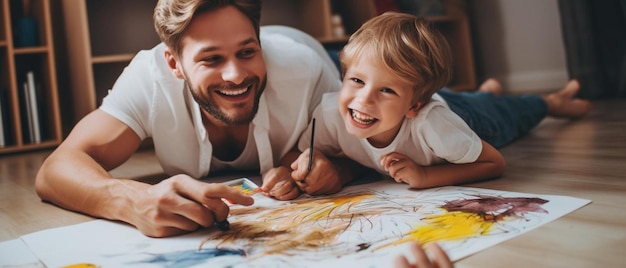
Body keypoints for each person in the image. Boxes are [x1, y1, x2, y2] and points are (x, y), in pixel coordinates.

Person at [34, 0, 354, 238]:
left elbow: (376, 144)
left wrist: (339, 168)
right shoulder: (149, 79)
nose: (236, 75)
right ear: (174, 64)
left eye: (247, 52)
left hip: (306, 48)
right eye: (211, 59)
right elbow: (54, 171)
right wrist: (131, 200)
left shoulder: (305, 69)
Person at [290, 12, 591, 193]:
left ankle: (550, 101)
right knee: (481, 99)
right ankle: (487, 91)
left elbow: (494, 162)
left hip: (464, 120)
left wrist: (426, 175)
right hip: (438, 105)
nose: (363, 99)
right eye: (356, 81)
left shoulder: (434, 124)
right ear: (343, 76)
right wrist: (295, 167)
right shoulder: (329, 113)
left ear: (413, 105)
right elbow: (294, 153)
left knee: (505, 114)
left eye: (387, 91)